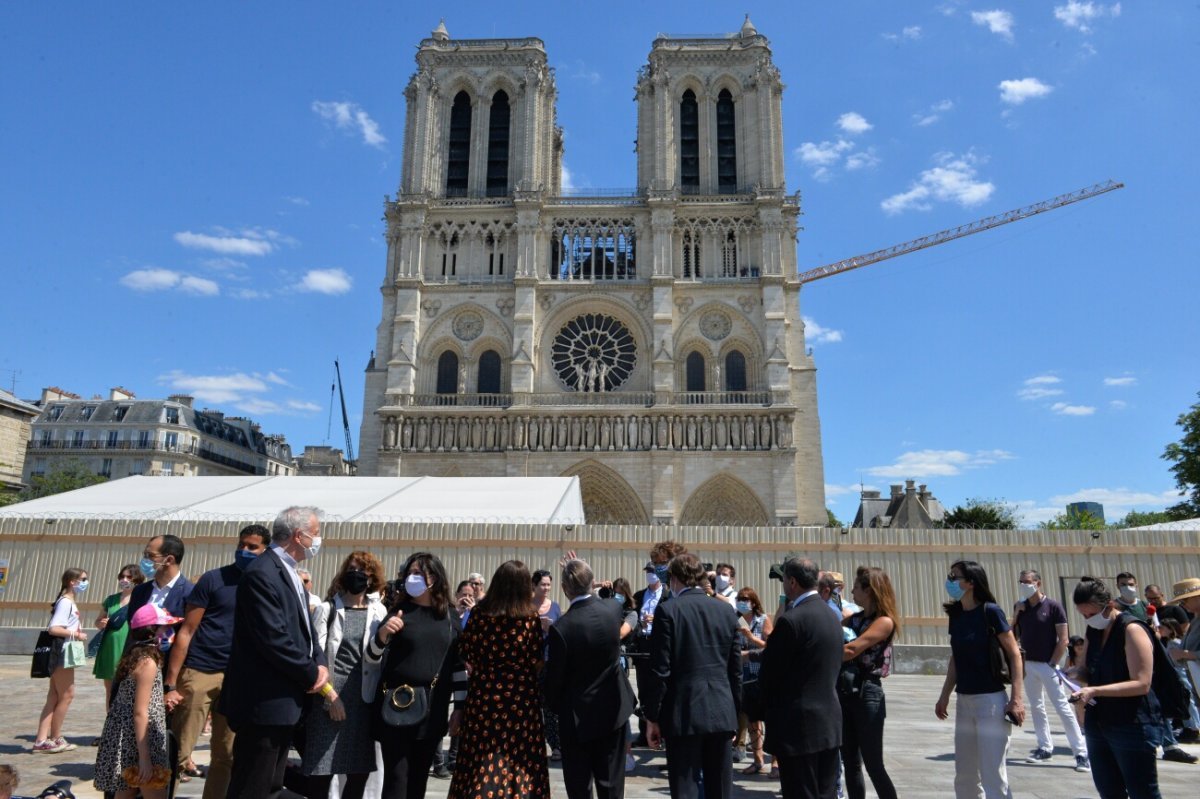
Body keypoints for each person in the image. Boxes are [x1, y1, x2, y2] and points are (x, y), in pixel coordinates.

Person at [221, 506, 330, 799]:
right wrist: (310, 672)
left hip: (284, 703)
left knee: (271, 784)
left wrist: (320, 663)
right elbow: (273, 638)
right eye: (316, 534)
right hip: (264, 703)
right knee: (252, 786)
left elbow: (305, 631)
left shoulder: (291, 572)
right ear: (298, 535)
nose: (319, 540)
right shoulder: (262, 573)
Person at [161, 524, 269, 796]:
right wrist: (171, 683)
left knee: (227, 756)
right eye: (241, 544)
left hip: (239, 680)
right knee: (178, 753)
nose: (244, 550)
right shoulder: (213, 579)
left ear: (266, 550)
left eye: (252, 547)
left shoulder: (267, 584)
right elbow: (186, 631)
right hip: (200, 671)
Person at [643, 552, 741, 799]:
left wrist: (652, 717)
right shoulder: (727, 612)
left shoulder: (668, 611)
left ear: (674, 579)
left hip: (683, 713)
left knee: (685, 786)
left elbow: (660, 670)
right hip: (721, 711)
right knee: (720, 788)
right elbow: (735, 669)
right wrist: (735, 715)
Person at [449, 559, 549, 799]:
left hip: (484, 697)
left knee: (481, 759)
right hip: (522, 700)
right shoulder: (529, 618)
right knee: (520, 759)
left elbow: (466, 652)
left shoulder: (480, 615)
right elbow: (537, 658)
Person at [544, 557, 636, 799]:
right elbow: (614, 600)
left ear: (564, 589)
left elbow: (554, 680)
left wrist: (555, 707)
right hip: (613, 710)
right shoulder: (612, 609)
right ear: (592, 583)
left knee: (579, 786)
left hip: (576, 719)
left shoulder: (561, 628)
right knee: (612, 785)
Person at [935, 560, 1025, 799]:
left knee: (992, 773)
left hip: (991, 701)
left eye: (955, 577)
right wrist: (944, 694)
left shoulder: (990, 611)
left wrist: (1016, 698)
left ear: (971, 582)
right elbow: (956, 658)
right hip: (964, 700)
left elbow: (1014, 654)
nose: (950, 581)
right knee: (964, 774)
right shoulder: (956, 615)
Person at [305, 550, 389, 799]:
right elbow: (315, 656)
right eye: (352, 569)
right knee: (323, 771)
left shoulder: (379, 612)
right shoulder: (327, 609)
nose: (357, 575)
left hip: (364, 701)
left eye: (363, 571)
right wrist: (330, 696)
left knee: (358, 773)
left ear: (372, 578)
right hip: (330, 699)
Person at [1071, 577, 1163, 799]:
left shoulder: (1131, 629)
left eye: (1091, 614)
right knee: (1109, 790)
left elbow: (1142, 683)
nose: (1087, 619)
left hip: (1131, 723)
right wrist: (1072, 674)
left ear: (1110, 605)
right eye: (1083, 615)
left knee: (1143, 792)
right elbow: (1086, 669)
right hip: (1099, 721)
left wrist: (1095, 691)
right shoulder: (1093, 631)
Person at [759, 557, 842, 799]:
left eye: (784, 579)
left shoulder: (791, 620)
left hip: (798, 727)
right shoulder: (831, 615)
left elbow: (770, 674)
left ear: (792, 582)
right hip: (828, 723)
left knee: (800, 792)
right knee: (825, 792)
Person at [93, 604, 180, 799]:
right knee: (155, 793)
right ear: (152, 630)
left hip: (127, 739)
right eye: (163, 627)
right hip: (140, 742)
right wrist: (145, 759)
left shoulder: (135, 656)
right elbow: (140, 712)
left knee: (125, 793)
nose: (168, 631)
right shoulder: (147, 663)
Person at [1010, 568, 1090, 771]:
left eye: (1027, 581)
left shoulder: (1053, 606)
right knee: (1037, 706)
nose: (1024, 585)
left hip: (1048, 665)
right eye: (1021, 582)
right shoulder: (1021, 607)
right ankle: (1044, 747)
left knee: (1062, 706)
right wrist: (1016, 613)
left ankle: (1081, 753)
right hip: (1028, 664)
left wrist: (1053, 662)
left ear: (1038, 583)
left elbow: (1063, 638)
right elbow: (1012, 636)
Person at [839, 567, 898, 799]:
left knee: (874, 764)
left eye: (856, 586)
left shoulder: (884, 621)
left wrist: (822, 650)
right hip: (846, 690)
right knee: (851, 762)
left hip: (867, 693)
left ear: (870, 590)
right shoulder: (854, 618)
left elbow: (852, 649)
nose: (852, 591)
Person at [33, 568, 90, 754]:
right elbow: (54, 628)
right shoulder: (66, 602)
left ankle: (42, 739)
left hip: (62, 652)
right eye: (83, 579)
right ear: (72, 581)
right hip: (63, 652)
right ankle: (55, 737)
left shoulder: (67, 601)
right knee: (67, 694)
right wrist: (77, 634)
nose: (85, 582)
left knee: (54, 695)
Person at [124, 534, 193, 654]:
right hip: (137, 661)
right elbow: (132, 629)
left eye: (150, 556)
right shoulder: (139, 591)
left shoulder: (191, 592)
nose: (145, 560)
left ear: (169, 560)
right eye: (145, 555)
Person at [93, 564, 145, 708]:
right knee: (110, 689)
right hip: (110, 648)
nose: (124, 579)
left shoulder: (141, 599)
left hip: (130, 647)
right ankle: (111, 723)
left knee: (130, 688)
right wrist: (101, 623)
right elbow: (98, 621)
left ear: (137, 579)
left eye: (129, 577)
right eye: (122, 576)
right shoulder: (111, 600)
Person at [733, 587, 771, 774]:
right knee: (752, 720)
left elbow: (771, 647)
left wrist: (750, 637)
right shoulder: (737, 619)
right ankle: (757, 760)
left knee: (769, 720)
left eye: (746, 599)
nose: (742, 601)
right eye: (740, 598)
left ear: (754, 602)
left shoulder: (763, 620)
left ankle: (776, 764)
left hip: (761, 675)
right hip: (743, 676)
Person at [533, 569, 563, 761]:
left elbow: (561, 633)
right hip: (532, 662)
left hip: (550, 661)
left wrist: (551, 628)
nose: (546, 588)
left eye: (548, 585)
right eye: (542, 584)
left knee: (551, 707)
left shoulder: (555, 607)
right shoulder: (526, 606)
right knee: (532, 705)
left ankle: (556, 745)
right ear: (534, 586)